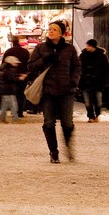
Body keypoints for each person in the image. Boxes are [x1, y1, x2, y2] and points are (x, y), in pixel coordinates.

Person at [27, 20, 81, 164]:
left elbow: (77, 67)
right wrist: (45, 59)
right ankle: (53, 151)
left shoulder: (69, 49)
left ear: (61, 33)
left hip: (66, 91)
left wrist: (74, 81)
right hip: (48, 91)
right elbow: (30, 67)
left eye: (55, 29)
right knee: (49, 123)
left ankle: (68, 147)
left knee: (67, 123)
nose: (51, 31)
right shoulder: (41, 48)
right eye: (50, 29)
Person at [79, 38, 109, 122]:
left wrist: (104, 81)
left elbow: (106, 69)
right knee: (87, 101)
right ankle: (91, 116)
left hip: (98, 82)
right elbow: (78, 67)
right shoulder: (83, 55)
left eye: (88, 45)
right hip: (86, 82)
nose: (87, 47)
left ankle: (97, 114)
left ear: (93, 46)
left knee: (98, 101)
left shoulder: (102, 56)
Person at [2, 36, 30, 118]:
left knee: (13, 95)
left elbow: (3, 65)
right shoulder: (25, 51)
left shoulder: (8, 51)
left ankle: (13, 112)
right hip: (23, 75)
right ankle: (20, 111)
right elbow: (29, 63)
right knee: (21, 94)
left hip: (11, 76)